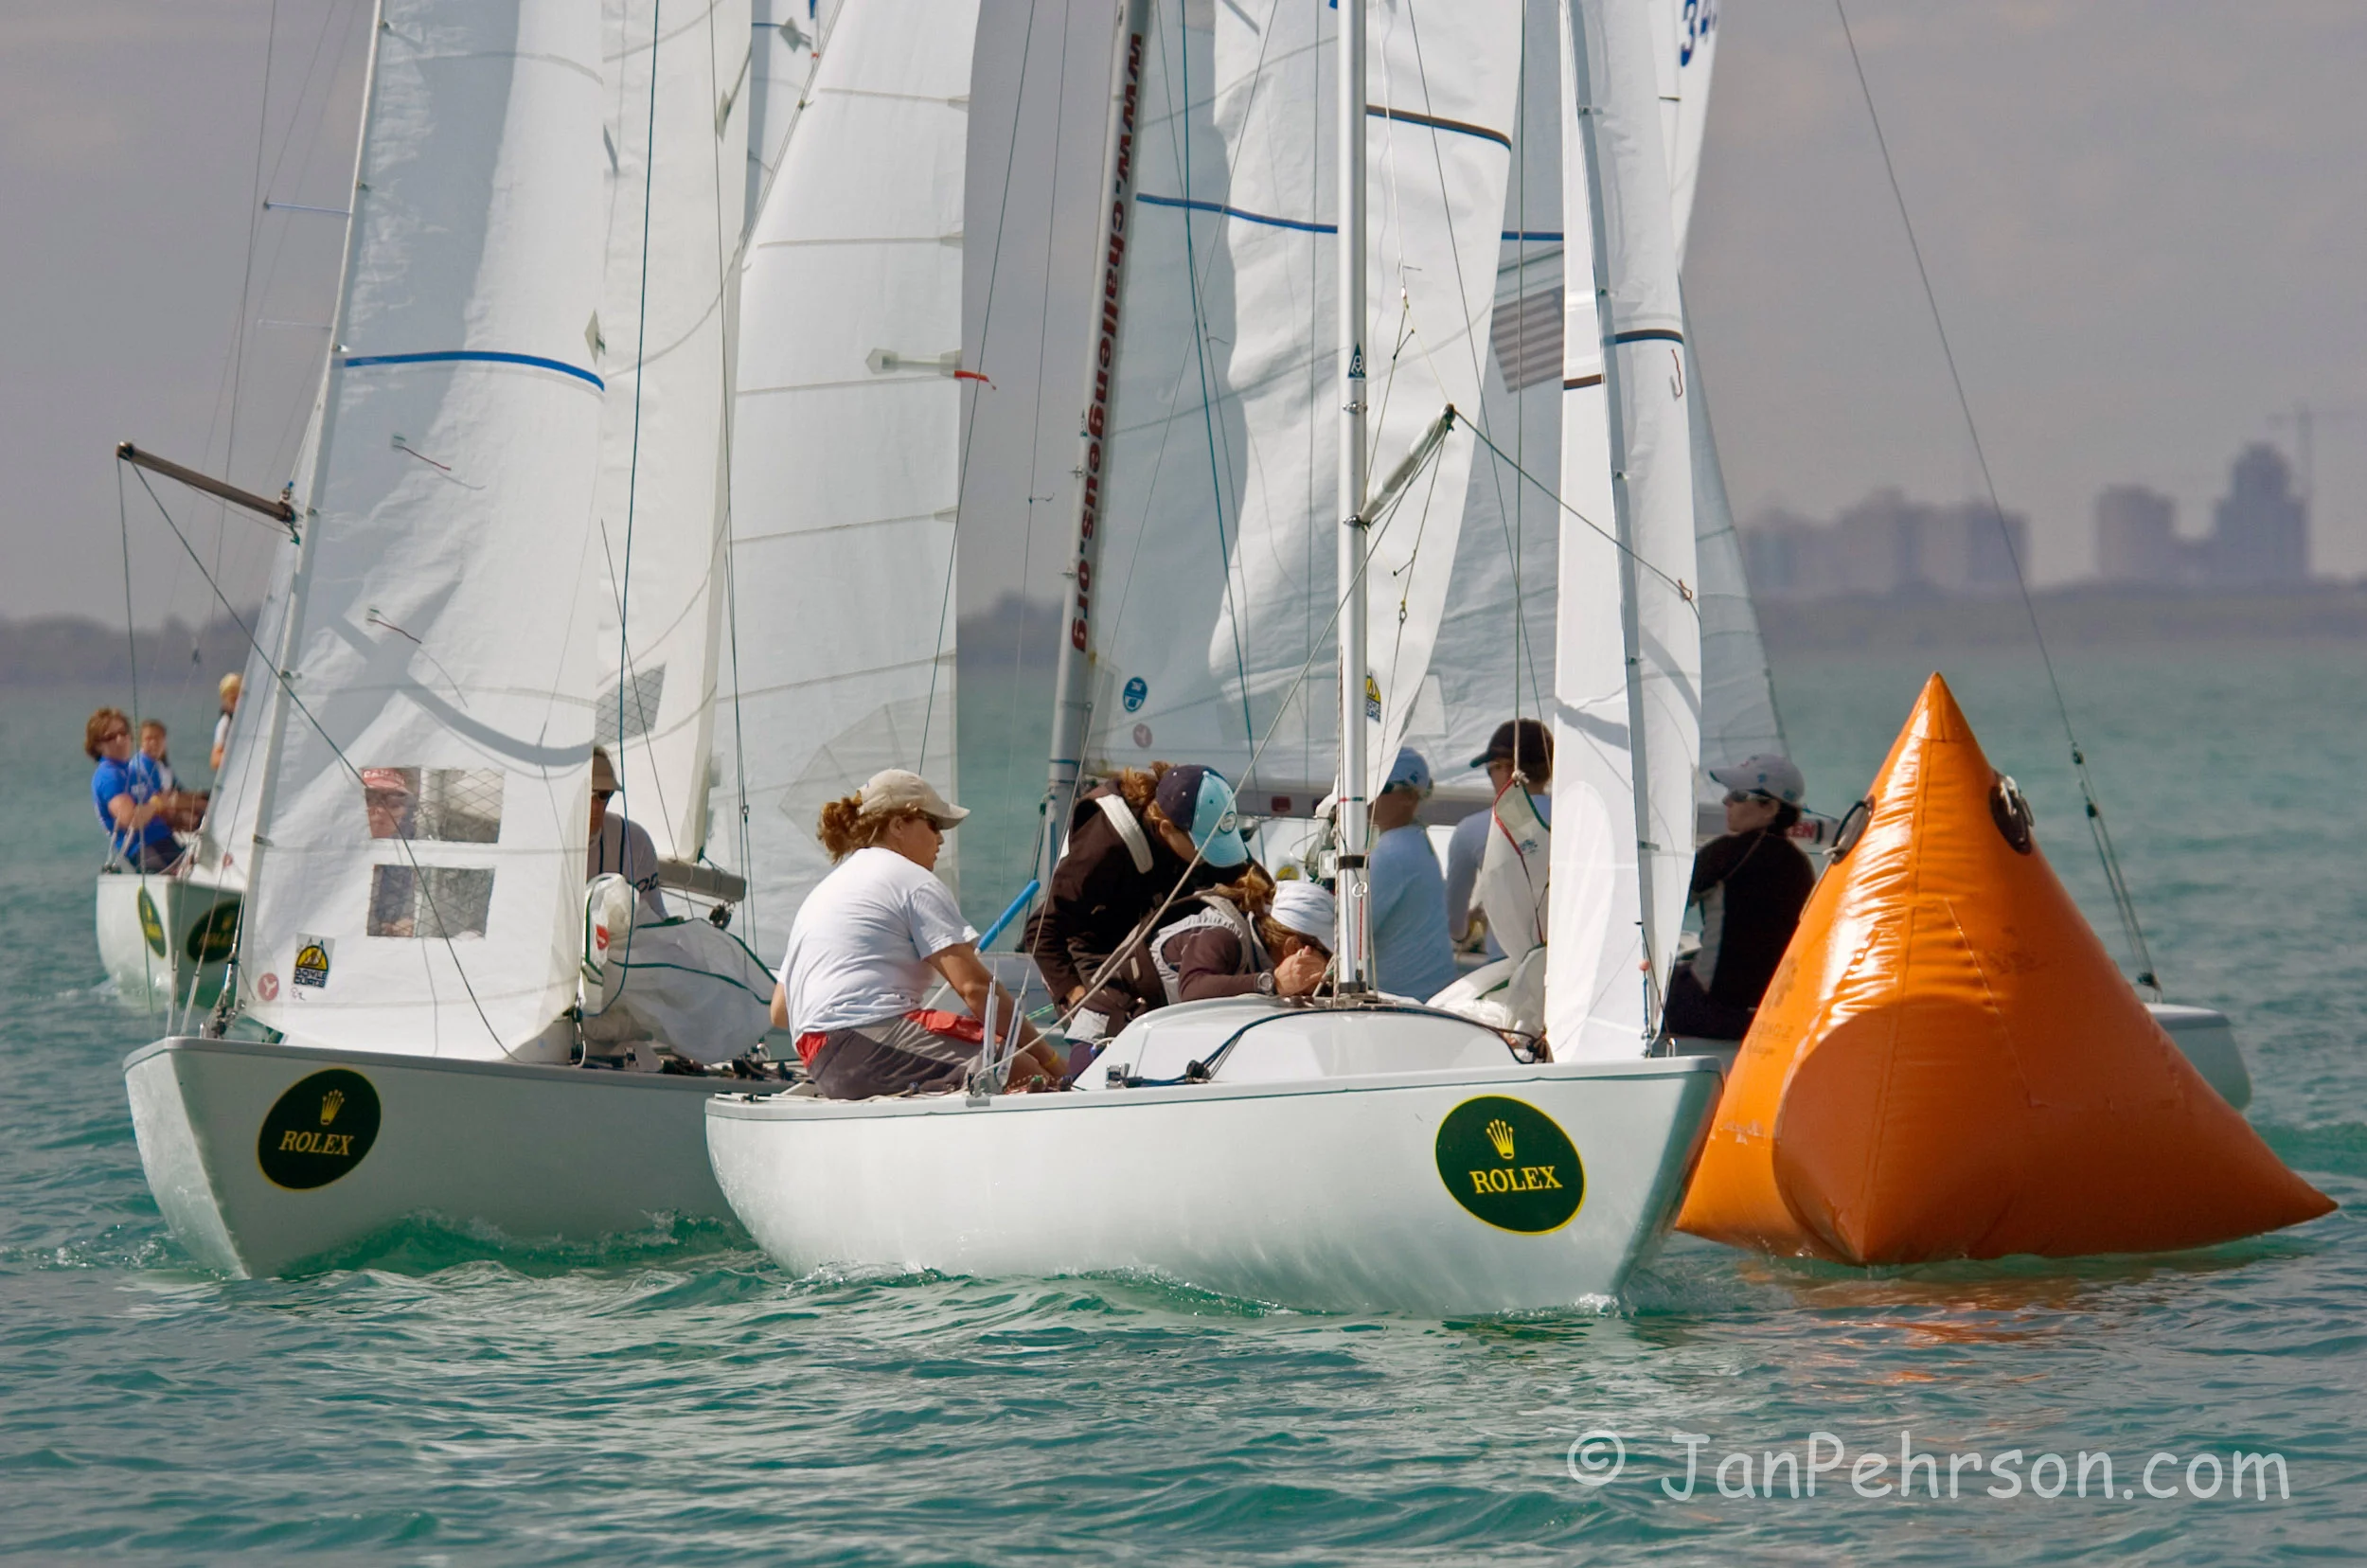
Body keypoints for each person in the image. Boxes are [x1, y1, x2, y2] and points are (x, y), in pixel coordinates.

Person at [771, 769, 1066, 1098]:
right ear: (898, 825)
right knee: (1021, 1070)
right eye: (933, 825)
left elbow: (781, 1012)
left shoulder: (824, 892)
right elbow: (975, 989)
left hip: (822, 1061)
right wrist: (1053, 1060)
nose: (940, 838)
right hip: (866, 1045)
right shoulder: (911, 879)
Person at [1024, 761, 1251, 1040]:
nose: (1211, 856)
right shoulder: (1106, 845)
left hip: (1149, 940)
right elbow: (1042, 930)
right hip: (1092, 956)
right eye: (1204, 845)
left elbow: (1247, 879)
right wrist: (1076, 998)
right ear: (1166, 828)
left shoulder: (1195, 825)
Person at [1663, 754, 1817, 1041]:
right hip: (1771, 1011)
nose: (1726, 801)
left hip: (1711, 1010)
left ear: (1770, 807)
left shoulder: (1727, 853)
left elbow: (1659, 904)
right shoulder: (1801, 864)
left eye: (1737, 794)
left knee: (1646, 985)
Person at [1067, 865, 1331, 1030]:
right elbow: (1193, 989)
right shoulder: (1223, 936)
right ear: (1294, 947)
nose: (1330, 968)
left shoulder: (1255, 952)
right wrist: (1272, 983)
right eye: (1328, 956)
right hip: (1106, 1034)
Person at [1444, 718, 1553, 956]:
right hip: (1570, 967)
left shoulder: (1471, 829)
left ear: (1506, 767)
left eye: (1490, 768)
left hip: (1507, 973)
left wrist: (1469, 926)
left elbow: (1455, 926)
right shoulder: (1576, 817)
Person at [1365, 747, 1458, 1001]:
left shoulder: (1390, 854)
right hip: (1430, 996)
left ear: (1409, 797)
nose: (1367, 796)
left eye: (1380, 788)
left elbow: (1353, 930)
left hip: (1402, 1002)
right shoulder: (1417, 840)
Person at [85, 706, 182, 872]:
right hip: (142, 848)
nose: (121, 739)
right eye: (111, 737)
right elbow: (131, 819)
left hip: (164, 838)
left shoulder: (133, 771)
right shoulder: (108, 776)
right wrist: (155, 804)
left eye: (123, 733)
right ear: (98, 745)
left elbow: (162, 807)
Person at [587, 746, 664, 916]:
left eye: (603, 794)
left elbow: (655, 917)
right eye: (588, 794)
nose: (595, 806)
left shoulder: (634, 842)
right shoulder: (544, 846)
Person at [210, 673, 240, 774]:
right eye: (233, 699)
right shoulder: (225, 724)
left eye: (239, 698)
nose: (237, 703)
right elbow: (215, 760)